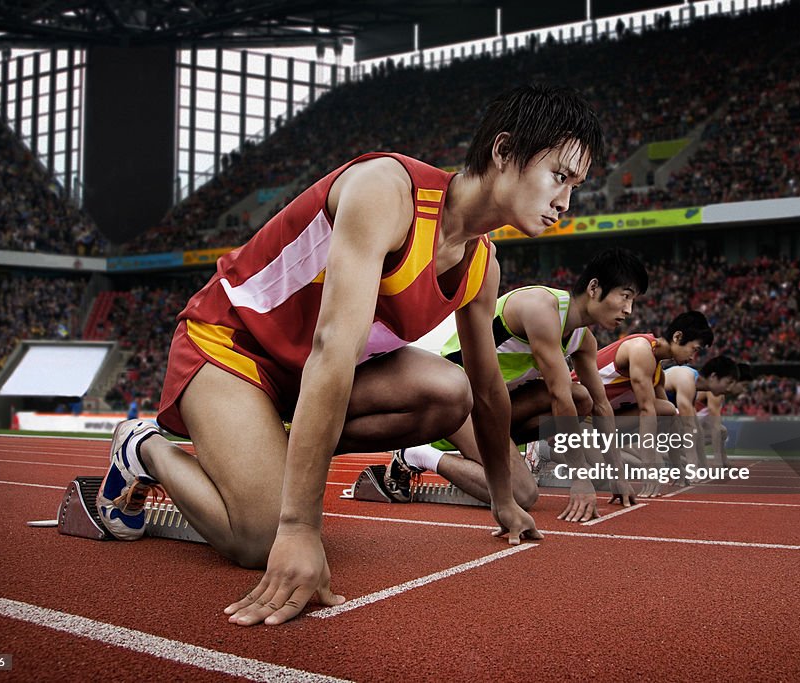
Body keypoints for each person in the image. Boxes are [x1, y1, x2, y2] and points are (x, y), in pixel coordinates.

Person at [95, 84, 603, 626]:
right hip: (232, 345)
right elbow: (331, 351)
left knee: (448, 392)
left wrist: (503, 498)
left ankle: (266, 452)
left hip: (300, 377)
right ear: (504, 152)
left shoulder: (483, 267)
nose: (565, 202)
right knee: (259, 541)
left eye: (576, 186)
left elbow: (487, 392)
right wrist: (297, 527)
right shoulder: (386, 191)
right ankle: (144, 448)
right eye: (559, 176)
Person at [385, 248, 649, 523]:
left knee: (582, 397)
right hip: (455, 401)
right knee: (522, 494)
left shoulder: (583, 340)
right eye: (625, 296)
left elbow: (601, 406)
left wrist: (617, 475)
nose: (629, 310)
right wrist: (580, 478)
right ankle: (418, 454)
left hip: (491, 406)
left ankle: (510, 454)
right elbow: (559, 396)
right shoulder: (540, 308)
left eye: (634, 301)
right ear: (594, 287)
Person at [588, 310, 715, 496]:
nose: (692, 358)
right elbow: (647, 410)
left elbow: (669, 419)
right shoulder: (641, 349)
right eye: (694, 349)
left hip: (600, 420)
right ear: (678, 337)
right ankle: (543, 451)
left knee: (668, 409)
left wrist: (677, 468)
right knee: (603, 479)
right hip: (573, 416)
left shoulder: (657, 373)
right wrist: (649, 469)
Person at [662, 355, 740, 472]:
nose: (729, 389)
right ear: (713, 376)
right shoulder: (686, 381)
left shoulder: (693, 383)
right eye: (728, 383)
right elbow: (689, 427)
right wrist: (693, 469)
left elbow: (696, 430)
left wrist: (703, 467)